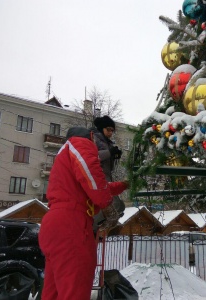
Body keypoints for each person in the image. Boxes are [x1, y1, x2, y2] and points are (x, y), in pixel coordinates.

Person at [38, 127, 128, 300]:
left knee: (54, 292)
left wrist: (123, 185)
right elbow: (92, 176)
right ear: (92, 136)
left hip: (56, 223)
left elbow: (93, 184)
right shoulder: (80, 143)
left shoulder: (65, 157)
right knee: (75, 291)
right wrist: (108, 208)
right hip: (71, 225)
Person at [92, 116, 125, 230]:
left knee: (117, 204)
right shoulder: (93, 139)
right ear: (102, 128)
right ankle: (95, 228)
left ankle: (102, 228)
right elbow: (92, 156)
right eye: (108, 129)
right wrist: (109, 152)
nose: (111, 133)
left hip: (106, 177)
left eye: (112, 130)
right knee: (111, 203)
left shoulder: (108, 142)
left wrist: (115, 156)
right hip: (97, 178)